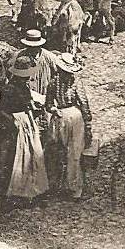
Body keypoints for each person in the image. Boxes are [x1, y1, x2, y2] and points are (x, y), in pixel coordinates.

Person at [0, 59, 49, 215]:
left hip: (25, 125)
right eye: (25, 76)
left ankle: (25, 193)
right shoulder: (9, 89)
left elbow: (25, 103)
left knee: (29, 159)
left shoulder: (22, 87)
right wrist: (14, 123)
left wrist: (32, 109)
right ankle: (2, 200)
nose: (28, 78)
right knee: (9, 162)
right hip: (12, 129)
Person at [44, 52, 93, 200]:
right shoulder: (66, 83)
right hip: (68, 116)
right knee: (68, 152)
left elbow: (49, 104)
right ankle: (68, 186)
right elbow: (83, 103)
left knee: (68, 152)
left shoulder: (57, 82)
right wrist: (88, 123)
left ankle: (67, 186)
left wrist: (54, 110)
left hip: (64, 116)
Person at [12, 28, 57, 100]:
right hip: (24, 96)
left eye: (36, 46)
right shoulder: (18, 55)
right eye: (30, 46)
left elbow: (56, 74)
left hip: (43, 95)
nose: (33, 48)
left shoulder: (49, 57)